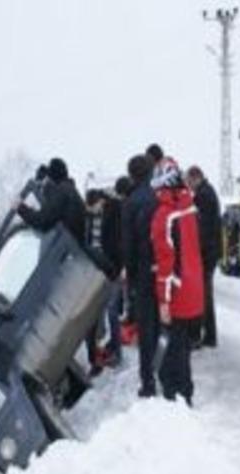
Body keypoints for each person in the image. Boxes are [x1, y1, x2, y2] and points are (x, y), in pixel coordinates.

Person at [150, 159, 205, 405]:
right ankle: (185, 392)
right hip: (194, 287)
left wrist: (163, 300)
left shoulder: (164, 216)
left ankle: (176, 396)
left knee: (173, 348)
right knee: (183, 347)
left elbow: (165, 263)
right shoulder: (190, 206)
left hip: (177, 291)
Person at [122, 154, 160, 397]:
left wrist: (131, 277)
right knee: (161, 324)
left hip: (143, 272)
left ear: (131, 175)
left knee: (145, 327)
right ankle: (163, 369)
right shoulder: (158, 198)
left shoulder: (130, 203)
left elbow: (128, 245)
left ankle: (148, 382)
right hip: (162, 268)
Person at [83, 187, 125, 375]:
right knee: (98, 311)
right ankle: (102, 350)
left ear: (101, 201)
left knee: (111, 311)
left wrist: (121, 267)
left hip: (112, 269)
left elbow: (119, 242)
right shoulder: (90, 216)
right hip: (97, 268)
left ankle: (117, 351)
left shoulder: (115, 212)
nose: (94, 212)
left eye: (95, 208)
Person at [185, 166, 222, 348]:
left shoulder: (203, 196)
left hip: (207, 252)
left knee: (204, 295)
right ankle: (208, 335)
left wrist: (195, 249)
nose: (189, 186)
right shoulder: (207, 192)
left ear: (196, 178)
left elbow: (203, 229)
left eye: (189, 182)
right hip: (211, 250)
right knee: (205, 294)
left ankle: (206, 336)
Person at [14, 158, 86, 244]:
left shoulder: (62, 192)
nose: (42, 186)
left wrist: (20, 207)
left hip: (67, 247)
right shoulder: (70, 191)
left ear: (51, 178)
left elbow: (42, 221)